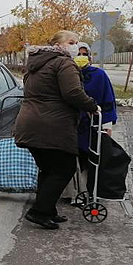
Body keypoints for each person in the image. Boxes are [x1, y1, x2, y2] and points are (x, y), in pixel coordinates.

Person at [14, 30, 98, 230]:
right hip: (52, 126)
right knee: (64, 168)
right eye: (71, 42)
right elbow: (72, 92)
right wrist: (92, 106)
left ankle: (47, 210)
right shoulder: (63, 62)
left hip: (30, 124)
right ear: (58, 45)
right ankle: (39, 212)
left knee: (48, 169)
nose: (75, 46)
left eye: (77, 42)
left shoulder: (36, 64)